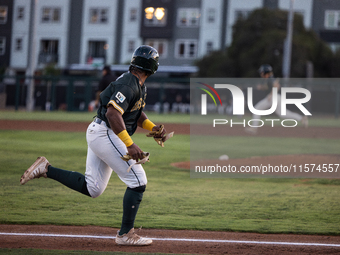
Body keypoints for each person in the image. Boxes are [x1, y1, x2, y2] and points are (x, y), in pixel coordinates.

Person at [20, 45, 166, 246]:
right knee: (138, 180)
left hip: (101, 132)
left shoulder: (136, 83)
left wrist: (152, 127)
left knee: (94, 188)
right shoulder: (129, 84)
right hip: (105, 133)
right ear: (153, 66)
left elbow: (135, 112)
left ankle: (46, 169)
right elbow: (113, 114)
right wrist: (130, 144)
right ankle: (125, 235)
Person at [245, 64, 308, 134]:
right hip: (277, 97)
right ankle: (301, 118)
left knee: (256, 109)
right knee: (284, 114)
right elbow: (269, 87)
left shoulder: (270, 78)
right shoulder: (268, 79)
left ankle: (254, 128)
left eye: (262, 72)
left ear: (265, 72)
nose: (261, 73)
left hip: (273, 97)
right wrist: (262, 87)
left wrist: (271, 95)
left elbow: (277, 86)